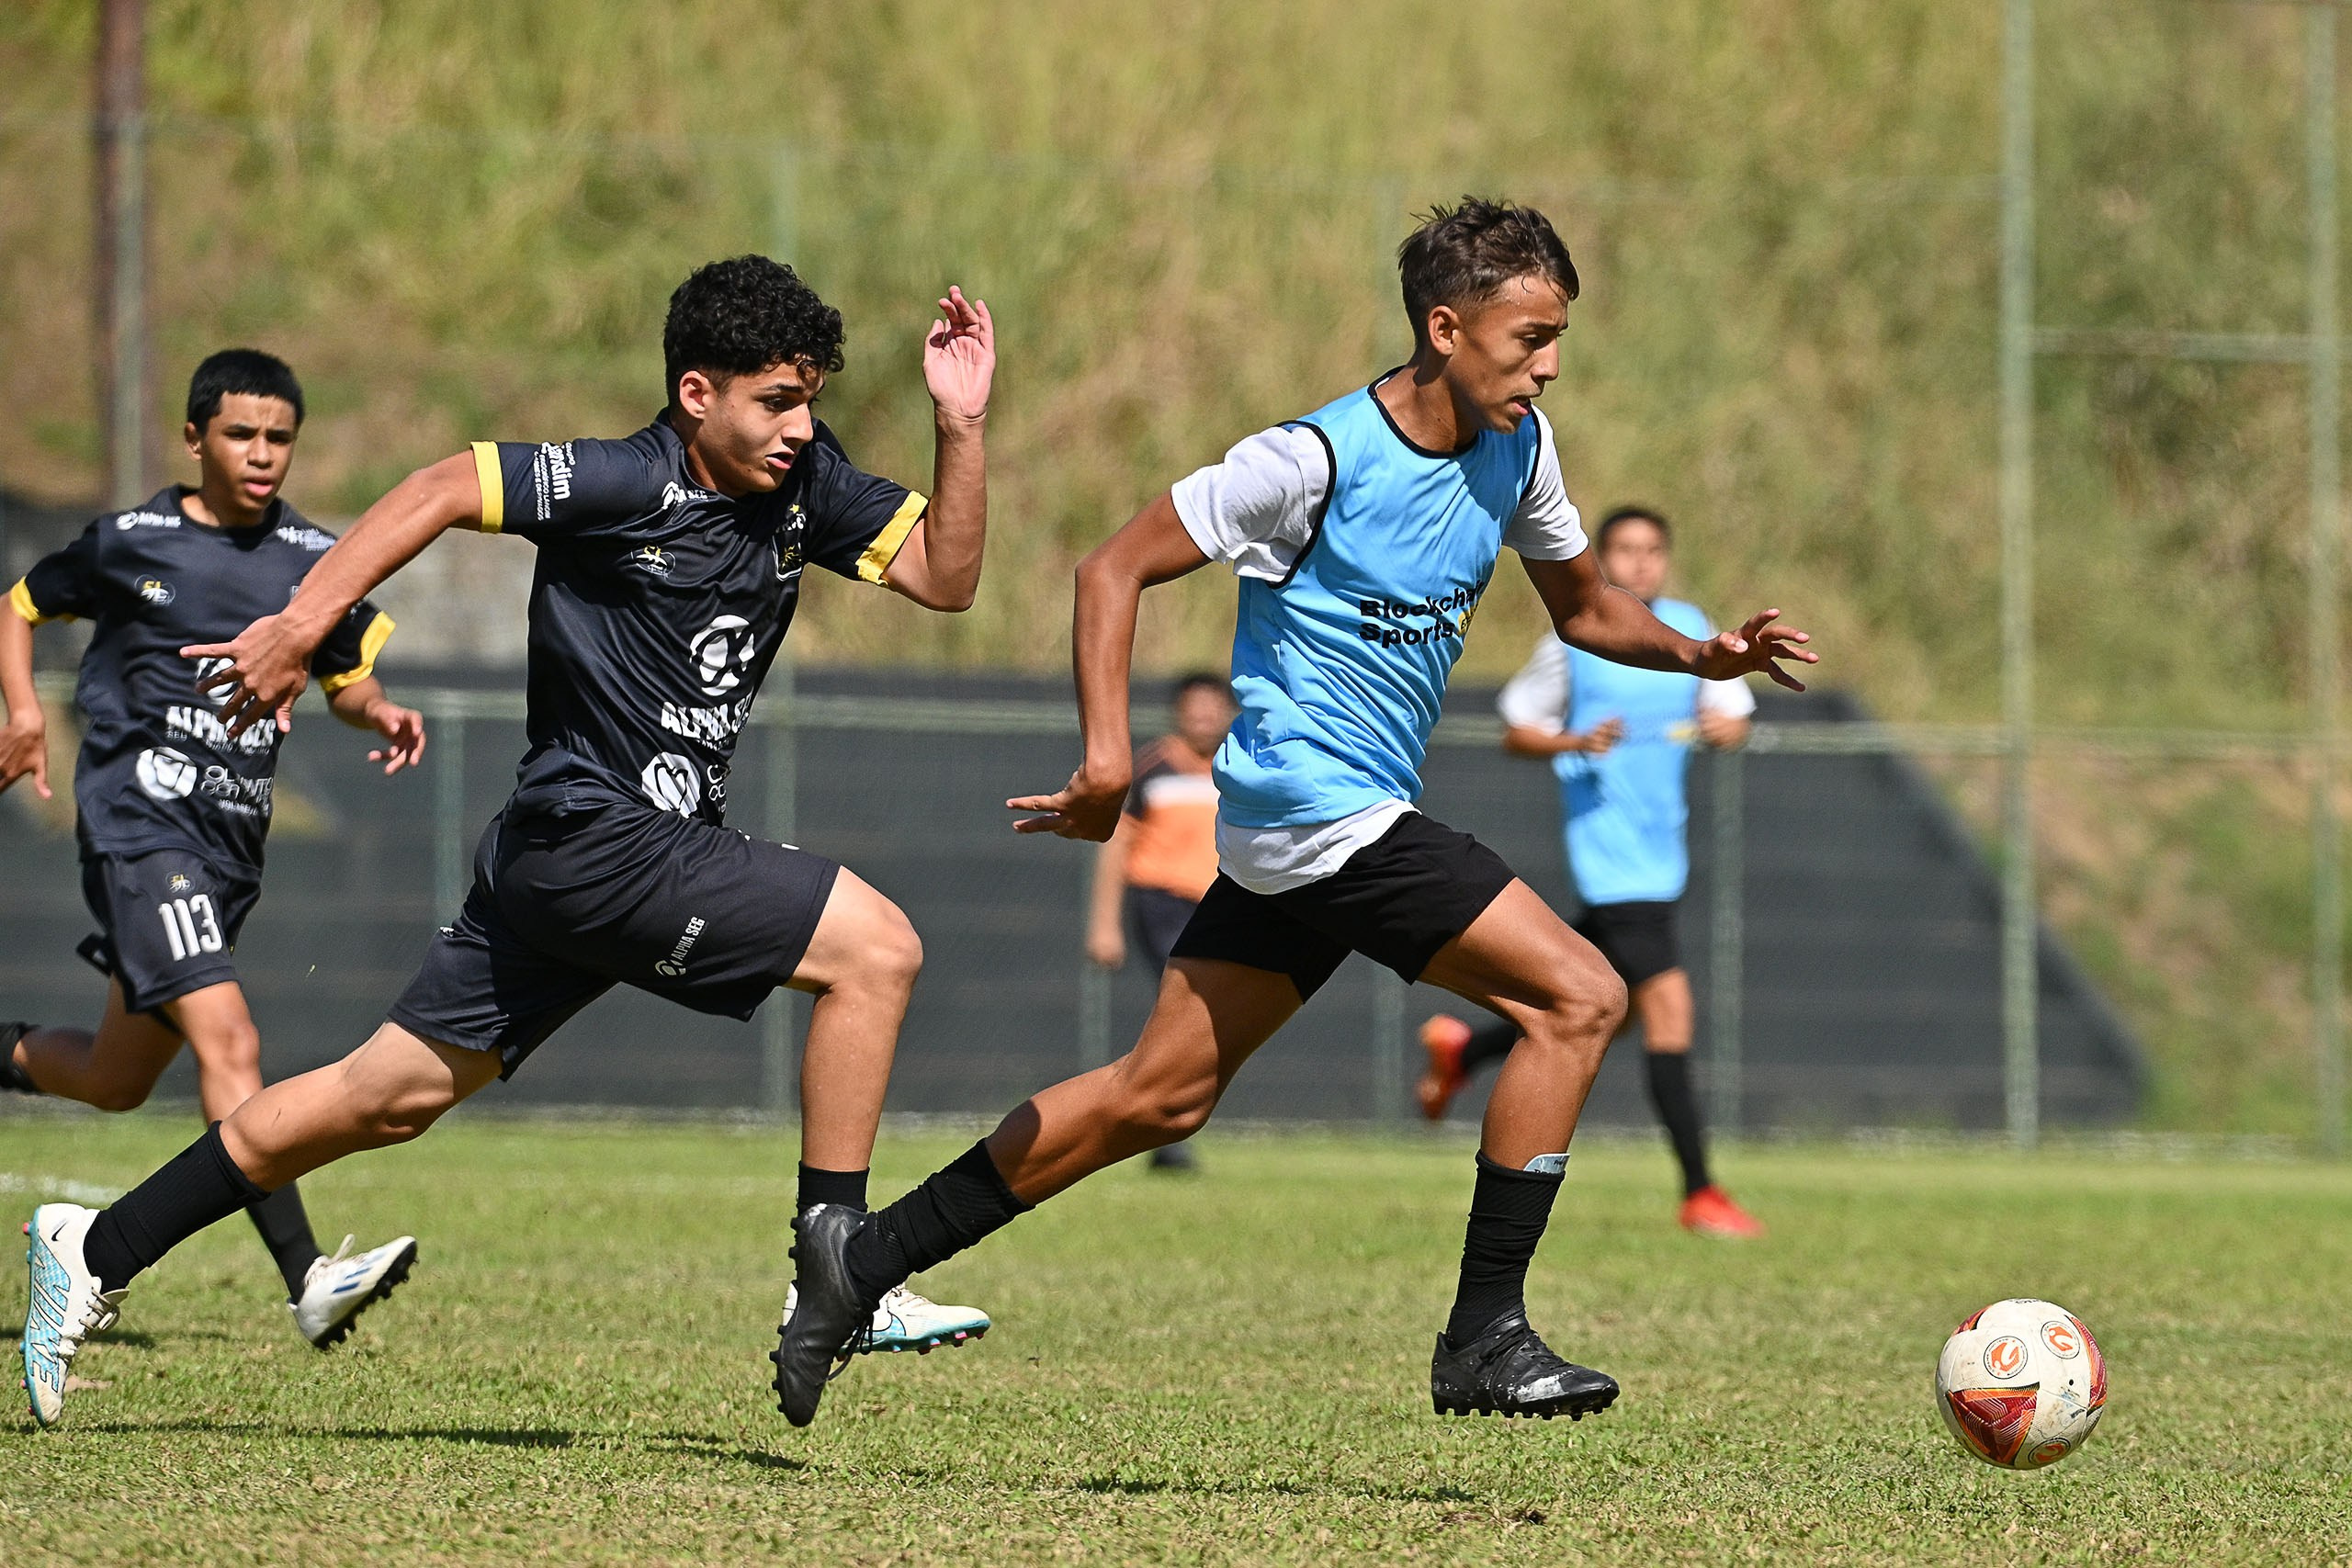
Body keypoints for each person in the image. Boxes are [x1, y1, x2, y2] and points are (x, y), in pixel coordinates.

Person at [770, 197, 1815, 1429]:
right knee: (1580, 996)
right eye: (1529, 337)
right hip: (1320, 812)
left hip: (1316, 830)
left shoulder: (1521, 450)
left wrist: (1703, 654)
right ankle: (1485, 1333)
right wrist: (1106, 759)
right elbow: (1112, 567)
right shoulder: (1309, 460)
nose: (1547, 365)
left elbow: (1584, 607)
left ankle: (861, 1262)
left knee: (1156, 1096)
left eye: (1556, 340)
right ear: (1445, 327)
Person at [19, 258, 998, 1427]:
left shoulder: (806, 483)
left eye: (810, 401)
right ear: (697, 394)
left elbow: (947, 577)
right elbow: (439, 486)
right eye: (775, 401)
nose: (800, 426)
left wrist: (960, 426)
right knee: (877, 949)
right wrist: (298, 623)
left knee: (379, 1097)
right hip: (600, 838)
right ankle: (837, 1262)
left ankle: (95, 1245)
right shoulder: (619, 480)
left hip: (575, 863)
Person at [3, 349, 426, 1349]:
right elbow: (19, 606)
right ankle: (308, 1277)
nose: (262, 453)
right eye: (241, 434)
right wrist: (23, 711)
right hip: (141, 831)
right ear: (195, 439)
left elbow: (346, 677)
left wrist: (377, 710)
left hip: (228, 850)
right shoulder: (131, 542)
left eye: (280, 437)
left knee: (115, 1078)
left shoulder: (315, 560)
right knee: (230, 1041)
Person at [1416, 505, 1766, 1239]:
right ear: (1601, 559)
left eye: (1651, 548)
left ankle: (1463, 1049)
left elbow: (1733, 713)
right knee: (1668, 1011)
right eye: (1624, 549)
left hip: (1661, 855)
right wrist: (1575, 741)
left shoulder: (1688, 627)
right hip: (1610, 857)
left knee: (1607, 1005)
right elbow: (1519, 729)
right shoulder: (1576, 639)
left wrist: (1727, 728)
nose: (1640, 561)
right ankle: (1701, 1191)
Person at [1083, 671, 1239, 1173]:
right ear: (1178, 713)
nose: (1204, 717)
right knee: (1184, 1006)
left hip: (1221, 903)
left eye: (1212, 707)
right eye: (1194, 707)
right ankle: (1161, 1131)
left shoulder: (1241, 766)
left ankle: (1165, 1124)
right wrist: (1103, 924)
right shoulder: (1152, 768)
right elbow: (1115, 845)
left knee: (1206, 1016)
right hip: (1163, 903)